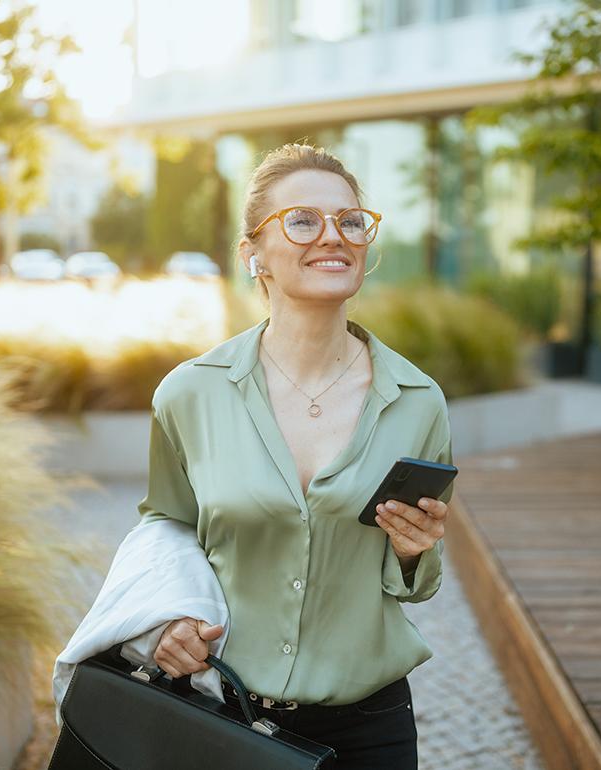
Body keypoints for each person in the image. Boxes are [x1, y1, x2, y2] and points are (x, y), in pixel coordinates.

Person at [139, 143, 454, 770]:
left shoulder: (419, 402)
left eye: (350, 220)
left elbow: (412, 581)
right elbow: (164, 526)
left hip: (370, 729)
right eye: (303, 220)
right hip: (219, 713)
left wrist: (415, 550)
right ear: (251, 253)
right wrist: (164, 622)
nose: (332, 236)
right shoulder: (189, 393)